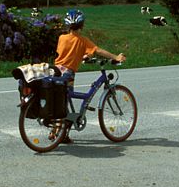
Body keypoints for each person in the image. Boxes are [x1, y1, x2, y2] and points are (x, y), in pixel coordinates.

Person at [53, 9, 126, 142]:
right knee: (65, 98)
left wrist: (84, 56)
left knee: (62, 98)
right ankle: (59, 130)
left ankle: (63, 132)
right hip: (68, 73)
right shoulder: (83, 40)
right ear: (82, 25)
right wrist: (116, 57)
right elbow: (98, 50)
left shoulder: (61, 38)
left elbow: (67, 53)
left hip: (56, 70)